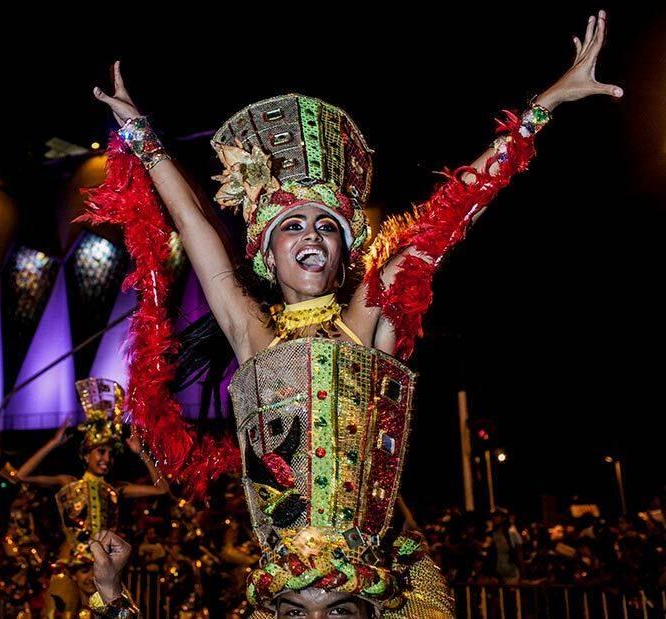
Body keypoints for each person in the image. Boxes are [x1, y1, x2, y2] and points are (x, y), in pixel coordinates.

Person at [89, 9, 621, 618]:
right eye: (291, 225)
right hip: (288, 593)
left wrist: (543, 107)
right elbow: (194, 226)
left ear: (344, 251)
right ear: (265, 254)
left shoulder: (368, 319)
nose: (310, 234)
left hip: (367, 593)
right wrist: (143, 138)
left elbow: (450, 212)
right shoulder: (252, 337)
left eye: (326, 225)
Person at [15, 378, 170, 616]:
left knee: (124, 613)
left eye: (110, 453)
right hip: (70, 565)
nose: (106, 459)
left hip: (104, 567)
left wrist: (142, 454)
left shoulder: (116, 488)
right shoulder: (70, 483)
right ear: (86, 454)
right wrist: (53, 444)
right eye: (100, 452)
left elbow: (162, 490)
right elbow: (22, 476)